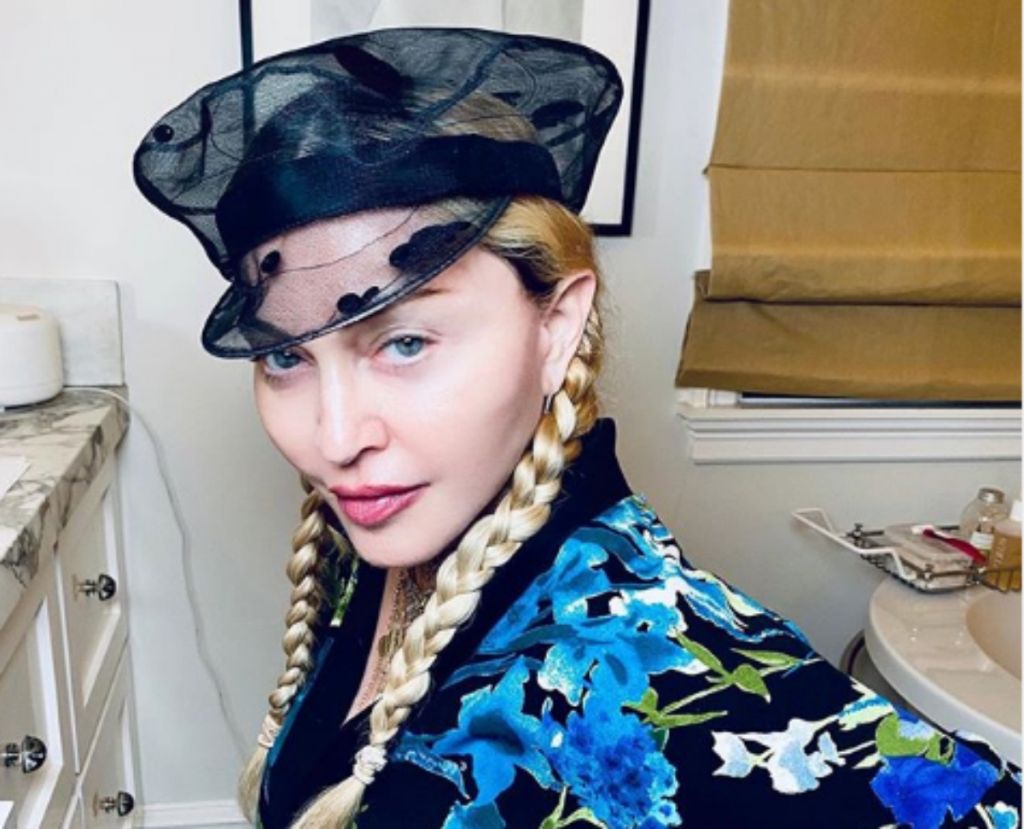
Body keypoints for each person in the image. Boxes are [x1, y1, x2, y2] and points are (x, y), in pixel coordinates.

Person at [133, 26, 1022, 829]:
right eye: (285, 356)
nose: (332, 440)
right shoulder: (394, 526)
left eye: (404, 342)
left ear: (555, 325)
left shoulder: (632, 664)